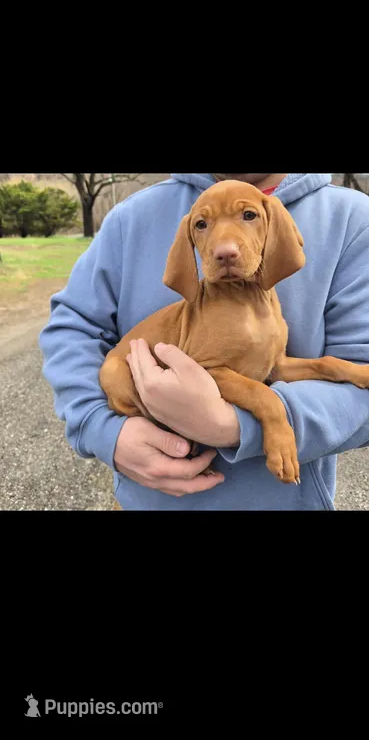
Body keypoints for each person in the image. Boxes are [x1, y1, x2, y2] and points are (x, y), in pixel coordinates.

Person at [39, 174, 369, 510]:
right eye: (203, 225)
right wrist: (107, 432)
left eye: (248, 215)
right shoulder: (131, 217)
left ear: (271, 227)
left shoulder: (353, 220)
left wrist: (235, 424)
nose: (225, 247)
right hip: (152, 497)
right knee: (115, 371)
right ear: (190, 244)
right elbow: (73, 326)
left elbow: (276, 367)